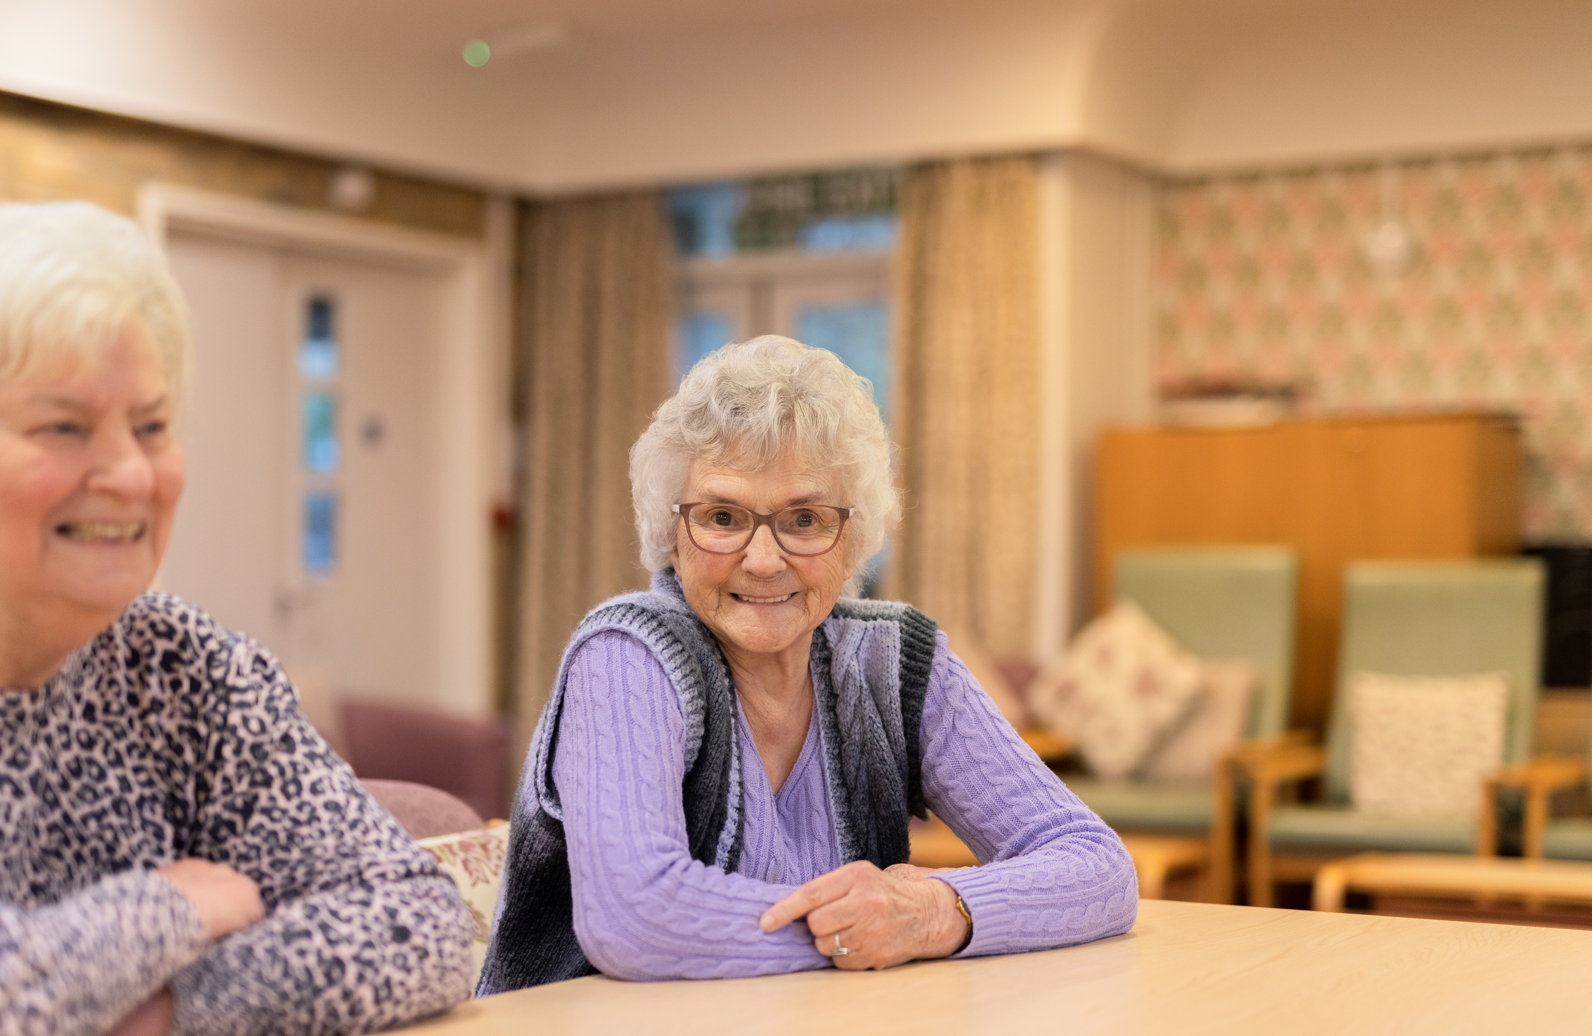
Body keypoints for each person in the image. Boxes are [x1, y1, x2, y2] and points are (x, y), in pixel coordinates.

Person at [0, 202, 474, 1036]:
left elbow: (417, 920)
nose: (127, 472)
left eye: (151, 426)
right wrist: (160, 913)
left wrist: (160, 1011)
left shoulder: (189, 668)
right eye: (63, 428)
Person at [480, 336, 1136, 993]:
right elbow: (635, 917)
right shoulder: (627, 658)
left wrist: (933, 912)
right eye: (722, 516)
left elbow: (1098, 865)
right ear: (670, 534)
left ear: (853, 541)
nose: (763, 559)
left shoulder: (895, 662)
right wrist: (866, 929)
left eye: (804, 518)